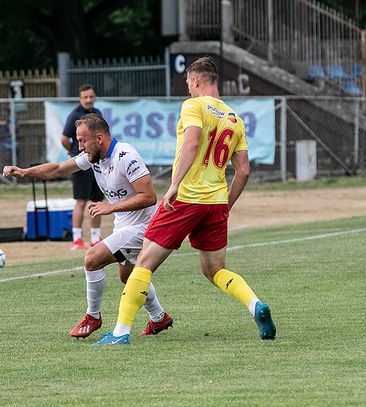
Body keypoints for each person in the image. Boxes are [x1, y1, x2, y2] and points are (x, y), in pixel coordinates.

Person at [93, 56, 276, 346]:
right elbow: (243, 171)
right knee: (214, 269)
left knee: (143, 263)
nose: (187, 88)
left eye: (188, 83)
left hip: (187, 198)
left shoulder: (194, 106)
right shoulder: (234, 119)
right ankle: (256, 305)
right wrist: (225, 205)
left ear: (196, 80)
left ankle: (120, 333)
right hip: (215, 202)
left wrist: (175, 185)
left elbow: (191, 143)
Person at [3, 113, 174, 338]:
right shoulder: (94, 157)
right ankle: (159, 318)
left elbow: (150, 197)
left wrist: (110, 208)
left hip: (145, 226)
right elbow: (57, 169)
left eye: (83, 141)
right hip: (124, 225)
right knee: (128, 277)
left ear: (100, 138)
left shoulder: (126, 157)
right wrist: (26, 172)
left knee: (92, 259)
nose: (80, 146)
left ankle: (92, 316)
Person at [61, 84, 104, 250]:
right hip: (81, 164)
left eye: (91, 97)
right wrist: (73, 154)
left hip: (96, 163)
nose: (88, 100)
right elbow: (64, 139)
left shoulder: (97, 114)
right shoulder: (75, 116)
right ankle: (77, 239)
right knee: (80, 201)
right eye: (85, 97)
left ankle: (95, 237)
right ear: (80, 99)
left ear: (95, 97)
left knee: (96, 200)